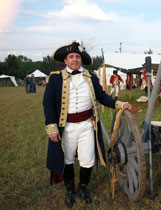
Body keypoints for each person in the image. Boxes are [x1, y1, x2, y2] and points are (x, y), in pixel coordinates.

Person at [43, 41, 132, 207]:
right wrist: (52, 128)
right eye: (71, 57)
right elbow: (48, 104)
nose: (75, 59)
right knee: (67, 159)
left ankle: (82, 188)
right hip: (66, 127)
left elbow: (102, 97)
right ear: (66, 60)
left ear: (81, 60)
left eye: (77, 56)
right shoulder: (55, 78)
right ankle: (70, 189)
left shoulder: (91, 77)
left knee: (87, 159)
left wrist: (119, 104)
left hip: (87, 125)